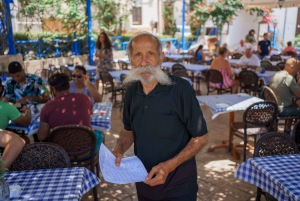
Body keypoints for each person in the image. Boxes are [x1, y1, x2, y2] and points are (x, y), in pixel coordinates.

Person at [112, 32, 208, 201]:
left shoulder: (181, 89)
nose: (144, 62)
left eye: (150, 54)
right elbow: (129, 131)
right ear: (130, 59)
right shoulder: (131, 93)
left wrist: (169, 166)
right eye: (138, 55)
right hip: (144, 183)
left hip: (179, 187)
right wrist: (119, 149)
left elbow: (201, 137)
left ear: (161, 57)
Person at [37, 73, 103, 158]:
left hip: (63, 155)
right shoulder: (85, 98)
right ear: (68, 86)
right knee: (100, 134)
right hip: (86, 151)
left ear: (54, 90)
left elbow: (41, 136)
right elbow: (90, 113)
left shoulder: (47, 107)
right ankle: (97, 164)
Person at [269, 58, 300, 134]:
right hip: (282, 109)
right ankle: (297, 135)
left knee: (295, 102)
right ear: (292, 67)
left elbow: (293, 91)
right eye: (298, 68)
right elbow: (298, 94)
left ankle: (288, 130)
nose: (298, 71)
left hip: (273, 107)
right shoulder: (289, 78)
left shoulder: (275, 74)